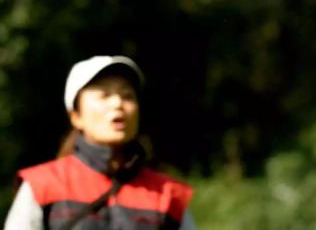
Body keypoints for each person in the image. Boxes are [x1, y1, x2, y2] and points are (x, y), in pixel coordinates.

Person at [4, 55, 196, 230]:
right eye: (104, 95)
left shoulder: (169, 195)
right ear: (76, 116)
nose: (118, 104)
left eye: (127, 96)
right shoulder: (42, 185)